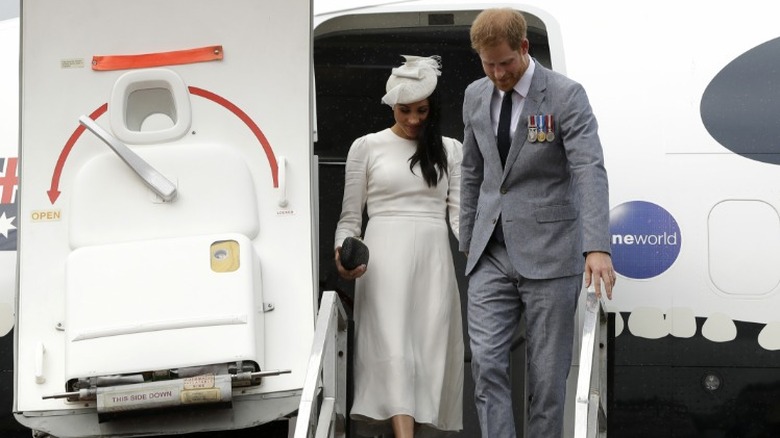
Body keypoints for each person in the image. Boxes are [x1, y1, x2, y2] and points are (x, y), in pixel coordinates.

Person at [459, 8, 616, 438]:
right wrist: (467, 240)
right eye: (488, 64)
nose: (497, 73)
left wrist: (597, 245)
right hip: (491, 250)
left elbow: (589, 168)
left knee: (546, 380)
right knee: (487, 361)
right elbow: (472, 170)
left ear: (524, 48)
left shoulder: (566, 95)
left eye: (505, 63)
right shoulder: (475, 94)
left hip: (551, 253)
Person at [334, 55, 464, 438]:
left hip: (434, 259)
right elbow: (349, 218)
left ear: (432, 107)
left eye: (421, 110)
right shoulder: (366, 146)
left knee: (429, 353)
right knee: (394, 351)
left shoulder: (451, 149)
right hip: (383, 258)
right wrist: (344, 254)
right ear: (392, 105)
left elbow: (459, 219)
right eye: (404, 110)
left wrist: (494, 255)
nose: (412, 119)